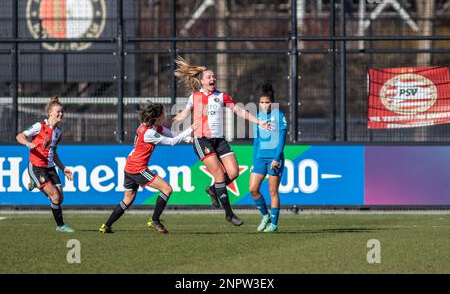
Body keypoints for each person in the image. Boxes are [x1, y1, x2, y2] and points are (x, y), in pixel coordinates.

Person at [172, 56, 270, 226]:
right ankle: (229, 214)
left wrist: (259, 121)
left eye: (214, 77)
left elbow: (239, 110)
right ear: (202, 81)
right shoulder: (194, 97)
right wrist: (177, 119)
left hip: (219, 140)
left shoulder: (221, 96)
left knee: (233, 173)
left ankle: (213, 189)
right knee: (218, 173)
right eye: (209, 77)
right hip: (202, 140)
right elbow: (186, 112)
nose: (213, 79)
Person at [99, 102, 197, 234]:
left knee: (128, 199)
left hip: (129, 167)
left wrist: (187, 139)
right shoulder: (150, 132)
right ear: (157, 116)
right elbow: (172, 142)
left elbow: (171, 134)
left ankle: (106, 226)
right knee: (167, 189)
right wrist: (191, 129)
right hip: (138, 168)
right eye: (163, 112)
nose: (165, 114)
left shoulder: (148, 127)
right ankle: (154, 220)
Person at [16, 96, 75, 232]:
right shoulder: (39, 126)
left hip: (50, 167)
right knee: (54, 196)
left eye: (62, 112)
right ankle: (60, 226)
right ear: (50, 113)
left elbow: (53, 153)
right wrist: (27, 143)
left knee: (60, 198)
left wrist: (63, 168)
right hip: (36, 166)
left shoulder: (58, 133)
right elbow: (19, 136)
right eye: (58, 112)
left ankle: (35, 184)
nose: (61, 114)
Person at [249, 84, 287, 232]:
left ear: (272, 102)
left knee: (273, 192)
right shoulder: (258, 117)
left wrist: (276, 158)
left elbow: (282, 140)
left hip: (273, 159)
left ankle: (274, 224)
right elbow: (256, 141)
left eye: (267, 102)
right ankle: (265, 215)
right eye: (262, 102)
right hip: (260, 159)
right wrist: (254, 161)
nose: (264, 105)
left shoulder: (280, 116)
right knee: (253, 189)